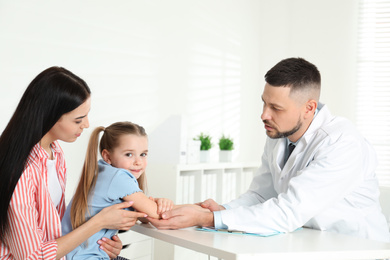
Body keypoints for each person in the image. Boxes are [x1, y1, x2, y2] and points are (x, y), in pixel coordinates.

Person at [148, 57, 390, 242]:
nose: (264, 114)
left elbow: (289, 211)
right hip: (309, 241)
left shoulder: (342, 143)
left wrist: (209, 219)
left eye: (276, 107)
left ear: (309, 107)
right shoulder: (279, 133)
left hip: (356, 247)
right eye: (264, 102)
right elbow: (262, 195)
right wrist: (224, 210)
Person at [0, 67, 146, 260]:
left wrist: (97, 242)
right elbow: (32, 257)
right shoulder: (22, 171)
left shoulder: (55, 154)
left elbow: (55, 228)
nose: (86, 124)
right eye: (78, 120)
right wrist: (97, 223)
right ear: (49, 116)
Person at [62, 121, 174, 259]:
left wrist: (153, 204)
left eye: (143, 154)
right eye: (129, 154)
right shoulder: (118, 177)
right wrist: (162, 205)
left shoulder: (103, 171)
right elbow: (158, 215)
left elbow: (145, 216)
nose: (138, 161)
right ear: (107, 156)